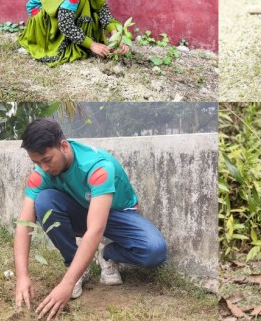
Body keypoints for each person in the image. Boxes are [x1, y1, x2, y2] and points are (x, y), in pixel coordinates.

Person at [13, 119, 167, 320]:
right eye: (37, 163)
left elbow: (95, 229)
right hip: (81, 211)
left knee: (155, 251)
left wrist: (66, 285)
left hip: (117, 214)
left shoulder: (97, 167)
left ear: (64, 146)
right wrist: (22, 276)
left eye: (47, 160)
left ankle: (108, 254)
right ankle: (74, 264)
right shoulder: (40, 174)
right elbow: (24, 225)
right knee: (43, 201)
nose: (43, 167)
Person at [18, 0, 129, 66]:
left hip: (60, 12)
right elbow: (65, 24)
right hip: (40, 14)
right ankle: (65, 41)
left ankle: (81, 40)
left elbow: (102, 10)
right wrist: (92, 45)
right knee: (84, 2)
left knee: (92, 5)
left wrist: (116, 36)